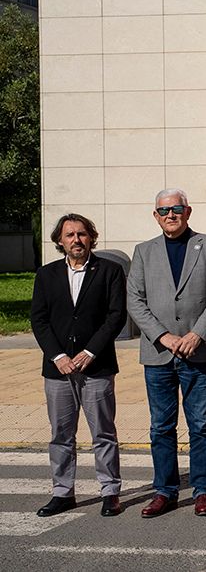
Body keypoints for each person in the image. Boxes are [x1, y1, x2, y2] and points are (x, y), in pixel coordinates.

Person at [126, 188, 206, 518]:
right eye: (164, 211)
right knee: (161, 427)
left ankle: (203, 490)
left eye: (177, 209)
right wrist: (164, 336)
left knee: (200, 425)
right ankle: (165, 491)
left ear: (188, 211)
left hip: (198, 351)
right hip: (158, 353)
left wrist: (197, 334)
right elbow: (135, 301)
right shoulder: (143, 251)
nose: (171, 215)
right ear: (156, 216)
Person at [30, 213, 127, 518]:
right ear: (60, 241)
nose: (76, 240)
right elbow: (39, 319)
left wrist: (90, 352)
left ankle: (110, 491)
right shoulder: (46, 275)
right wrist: (58, 356)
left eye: (82, 234)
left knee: (103, 433)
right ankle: (62, 493)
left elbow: (116, 316)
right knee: (61, 434)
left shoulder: (109, 271)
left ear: (91, 238)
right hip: (58, 370)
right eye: (70, 235)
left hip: (96, 367)